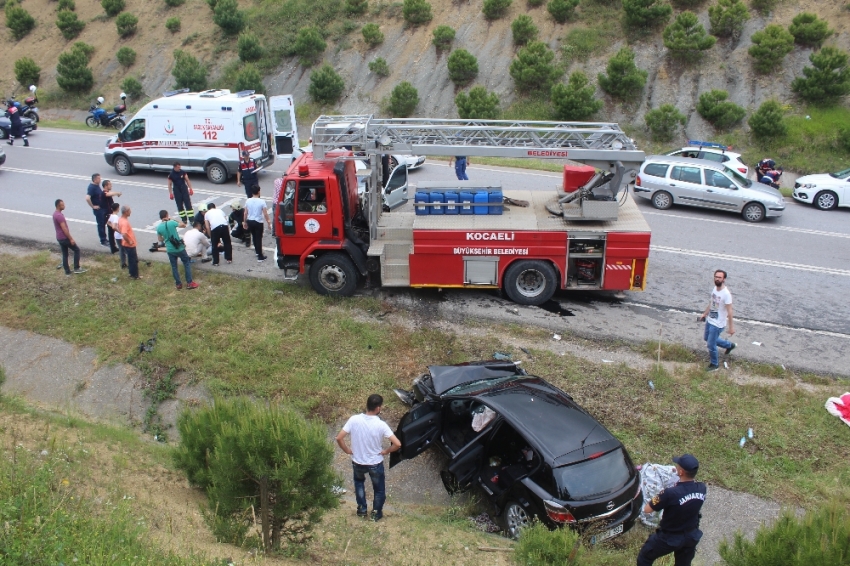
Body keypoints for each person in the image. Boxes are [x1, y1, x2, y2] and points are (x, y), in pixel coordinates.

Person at [335, 394, 402, 522]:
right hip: (375, 463)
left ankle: (361, 510)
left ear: (367, 405)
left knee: (359, 484)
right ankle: (376, 513)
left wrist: (347, 450)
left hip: (357, 461)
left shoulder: (354, 419)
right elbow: (397, 444)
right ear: (378, 408)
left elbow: (339, 437)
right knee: (379, 489)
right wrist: (386, 451)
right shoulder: (381, 424)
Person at [636, 454, 707, 566]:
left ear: (681, 472)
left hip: (669, 538)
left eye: (677, 467)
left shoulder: (670, 493)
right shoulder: (702, 488)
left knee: (645, 557)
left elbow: (647, 509)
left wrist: (661, 495)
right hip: (691, 536)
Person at [699, 270, 736, 371]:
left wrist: (731, 327)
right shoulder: (715, 289)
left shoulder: (726, 294)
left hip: (718, 324)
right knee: (707, 338)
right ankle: (729, 345)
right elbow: (712, 303)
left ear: (724, 279)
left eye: (719, 277)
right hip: (710, 320)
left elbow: (730, 311)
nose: (717, 279)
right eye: (716, 277)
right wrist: (704, 314)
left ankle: (714, 364)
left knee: (711, 344)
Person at [156, 210, 198, 290]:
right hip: (179, 247)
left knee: (174, 266)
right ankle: (189, 282)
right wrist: (173, 219)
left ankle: (178, 284)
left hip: (170, 249)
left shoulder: (158, 227)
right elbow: (183, 225)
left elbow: (160, 239)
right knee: (186, 263)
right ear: (167, 215)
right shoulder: (171, 222)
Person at [85, 173, 120, 247]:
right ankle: (103, 240)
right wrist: (93, 206)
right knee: (101, 225)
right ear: (95, 179)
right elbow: (87, 198)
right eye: (98, 178)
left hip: (103, 209)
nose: (100, 180)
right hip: (99, 210)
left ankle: (111, 239)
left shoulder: (96, 186)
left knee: (107, 223)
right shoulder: (92, 187)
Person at [53, 199, 86, 275]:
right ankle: (76, 268)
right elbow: (64, 229)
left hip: (59, 238)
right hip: (64, 238)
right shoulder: (59, 216)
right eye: (62, 205)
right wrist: (71, 239)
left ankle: (67, 272)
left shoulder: (55, 214)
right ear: (58, 206)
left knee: (65, 254)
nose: (64, 206)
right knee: (76, 250)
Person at [244, 185, 271, 262]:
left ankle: (257, 251)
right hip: (258, 222)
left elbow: (245, 213)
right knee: (259, 238)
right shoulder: (261, 201)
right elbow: (265, 214)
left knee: (254, 237)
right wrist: (269, 222)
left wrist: (245, 222)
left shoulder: (248, 201)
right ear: (259, 191)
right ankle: (260, 256)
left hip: (250, 221)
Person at [117, 205, 141, 279]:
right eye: (129, 211)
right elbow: (124, 233)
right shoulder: (124, 222)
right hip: (129, 244)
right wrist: (129, 241)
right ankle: (135, 275)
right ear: (126, 212)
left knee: (131, 259)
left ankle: (131, 273)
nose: (130, 212)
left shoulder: (120, 219)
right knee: (133, 260)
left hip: (125, 243)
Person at [101, 180, 123, 253]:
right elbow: (108, 194)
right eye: (110, 185)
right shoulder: (104, 193)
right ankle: (113, 247)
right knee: (112, 231)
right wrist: (117, 193)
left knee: (111, 232)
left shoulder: (107, 193)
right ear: (106, 186)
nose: (111, 186)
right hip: (108, 215)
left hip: (109, 215)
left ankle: (113, 247)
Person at [107, 202, 127, 269]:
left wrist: (112, 226)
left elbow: (108, 222)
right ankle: (123, 263)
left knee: (121, 249)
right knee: (123, 249)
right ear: (117, 208)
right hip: (119, 236)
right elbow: (114, 227)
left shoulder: (112, 215)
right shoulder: (115, 217)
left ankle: (124, 262)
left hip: (116, 236)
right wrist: (120, 231)